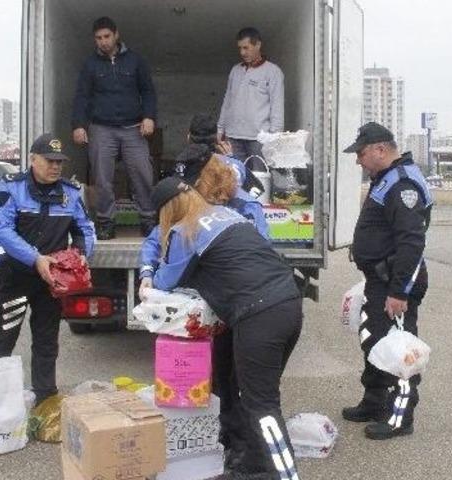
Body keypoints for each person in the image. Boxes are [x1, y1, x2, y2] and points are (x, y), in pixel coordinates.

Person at [149, 177, 301, 480]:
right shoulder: (229, 215)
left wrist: (147, 276)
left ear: (168, 211)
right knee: (243, 390)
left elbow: (166, 280)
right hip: (287, 303)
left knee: (262, 404)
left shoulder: (186, 231)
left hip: (259, 315)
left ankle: (285, 475)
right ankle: (251, 467)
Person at [0, 133, 95, 406]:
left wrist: (81, 255)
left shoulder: (70, 193)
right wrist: (35, 259)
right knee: (3, 341)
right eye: (49, 160)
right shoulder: (11, 188)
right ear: (32, 159)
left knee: (47, 342)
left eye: (60, 162)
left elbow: (84, 230)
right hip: (16, 279)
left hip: (52, 284)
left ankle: (45, 399)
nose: (56, 166)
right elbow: (2, 229)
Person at [340, 122, 433, 440]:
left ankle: (400, 416)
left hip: (395, 283)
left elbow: (411, 242)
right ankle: (375, 400)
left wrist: (398, 291)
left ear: (380, 149)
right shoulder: (387, 178)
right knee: (376, 341)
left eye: (361, 153)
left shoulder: (402, 184)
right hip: (380, 280)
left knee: (401, 351)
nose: (358, 161)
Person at [72, 16, 157, 240]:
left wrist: (149, 117)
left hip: (134, 128)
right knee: (102, 178)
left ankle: (148, 219)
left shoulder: (135, 61)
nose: (103, 41)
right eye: (98, 38)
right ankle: (105, 222)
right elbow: (82, 97)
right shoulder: (90, 65)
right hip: (101, 128)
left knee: (142, 174)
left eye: (107, 36)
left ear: (116, 34)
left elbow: (148, 91)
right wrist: (79, 125)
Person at [217, 27, 284, 161]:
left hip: (259, 140)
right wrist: (220, 129)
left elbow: (277, 107)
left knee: (258, 179)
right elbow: (227, 102)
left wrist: (274, 138)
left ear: (258, 45)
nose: (242, 52)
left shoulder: (273, 72)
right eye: (240, 48)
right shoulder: (235, 70)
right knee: (234, 179)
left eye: (246, 47)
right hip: (233, 137)